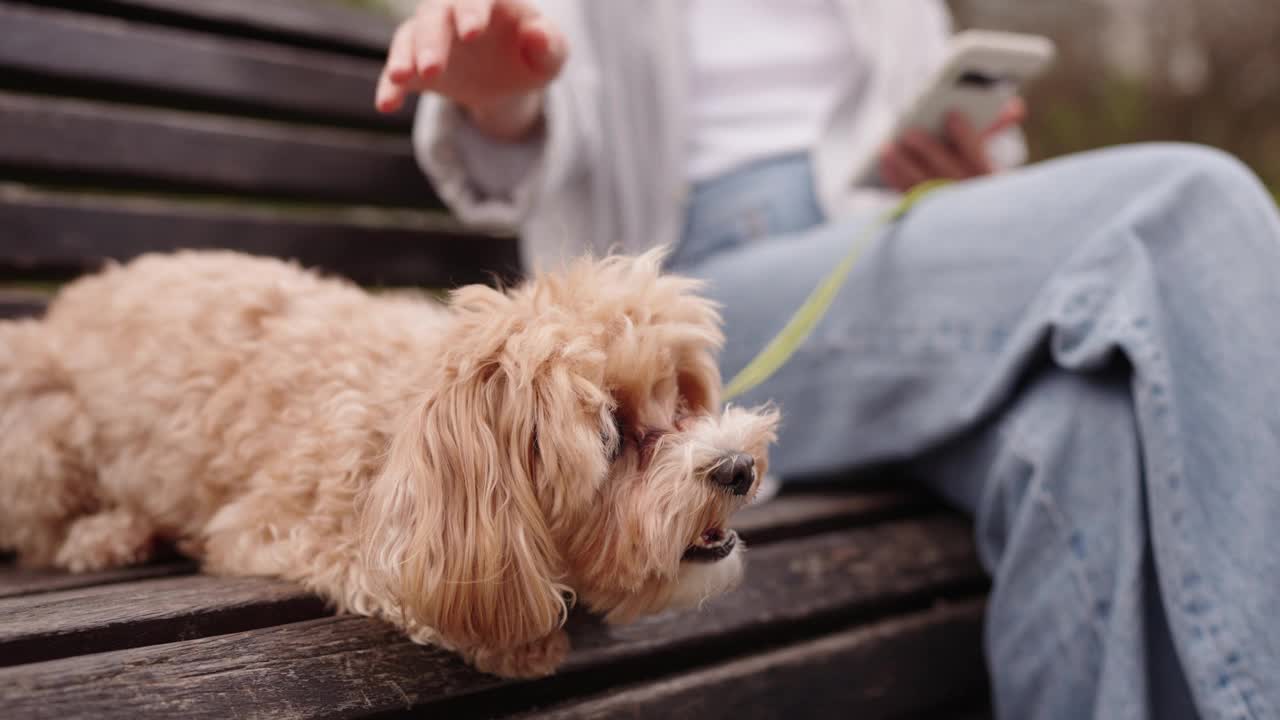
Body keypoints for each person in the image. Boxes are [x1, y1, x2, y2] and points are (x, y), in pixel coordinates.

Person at [376, 2, 1280, 718]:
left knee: (1081, 432)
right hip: (680, 294)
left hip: (884, 241)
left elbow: (927, 106)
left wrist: (965, 179)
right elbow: (512, 124)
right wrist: (497, 99)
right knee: (1189, 213)